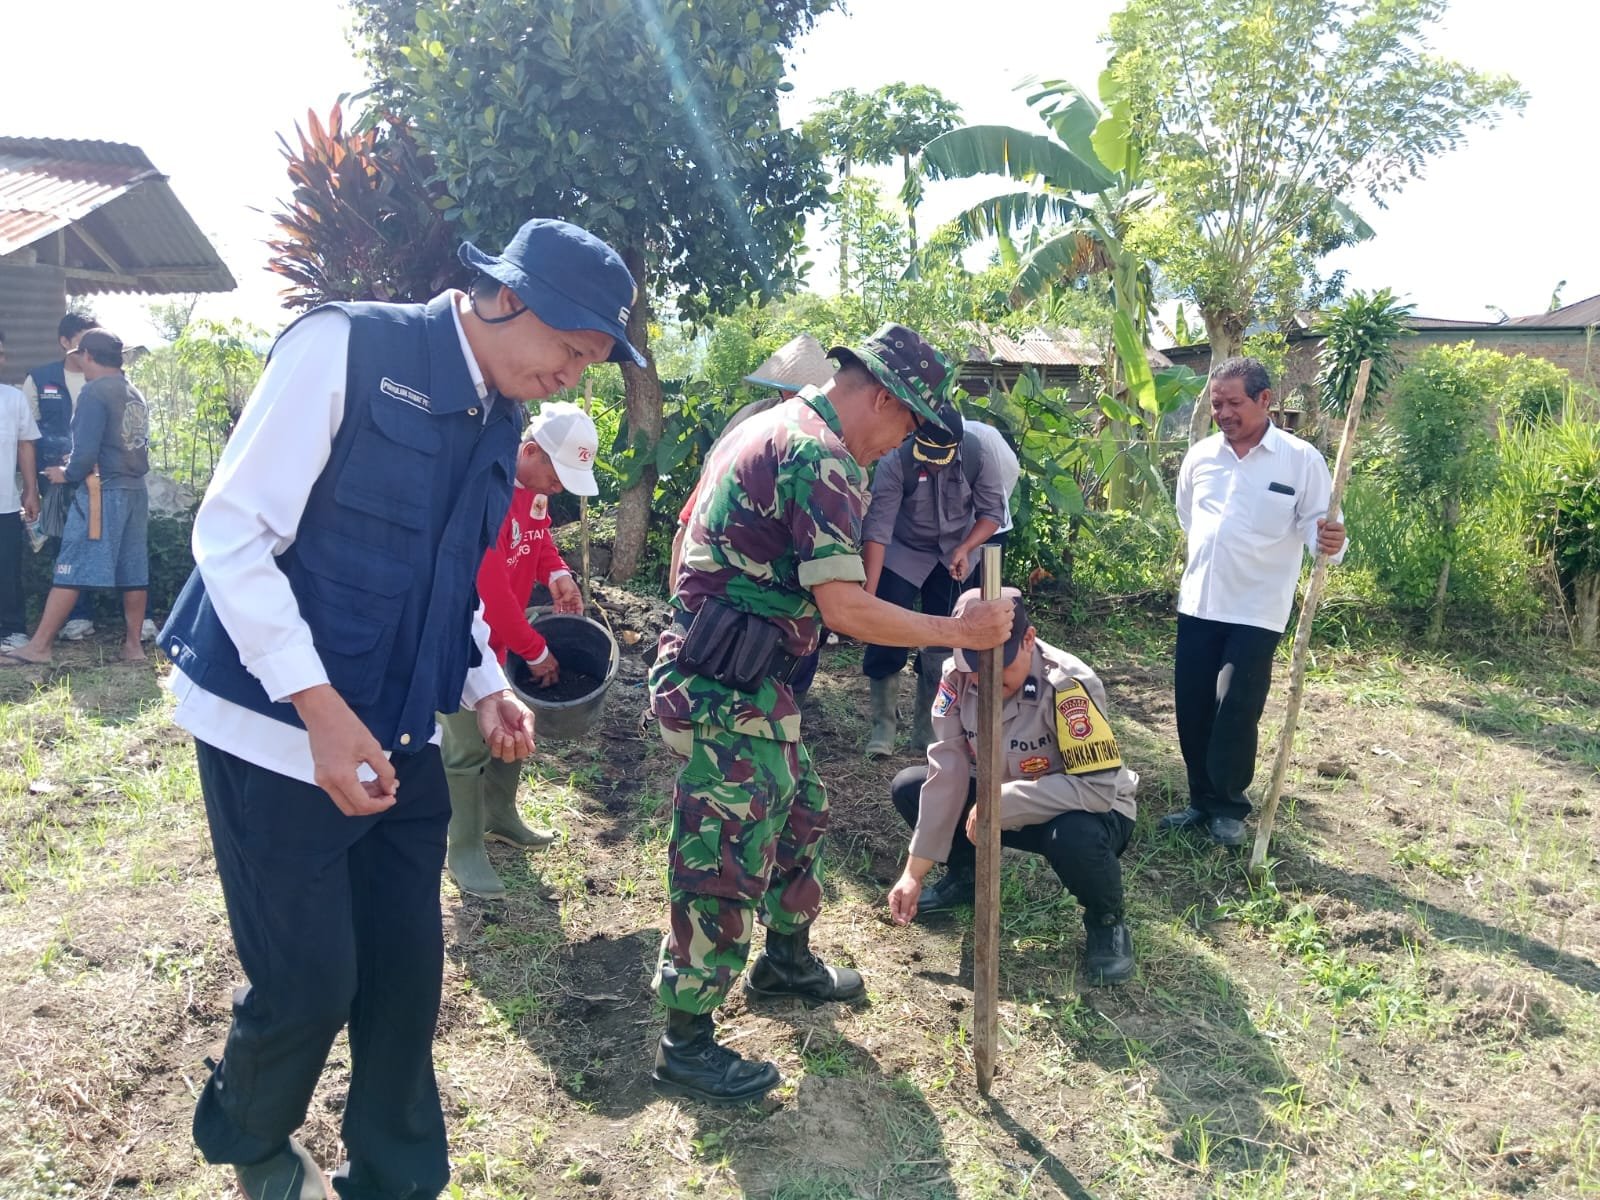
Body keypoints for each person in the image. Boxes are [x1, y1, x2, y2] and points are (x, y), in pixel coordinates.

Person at [157, 218, 644, 1199]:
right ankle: (249, 1141)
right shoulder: (347, 346)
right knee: (307, 982)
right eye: (570, 351)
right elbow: (233, 536)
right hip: (275, 733)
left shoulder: (498, 416)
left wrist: (482, 684)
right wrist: (319, 711)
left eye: (591, 363)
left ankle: (395, 1177)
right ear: (505, 296)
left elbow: (447, 580)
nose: (572, 378)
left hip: (403, 734)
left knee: (403, 975)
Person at [649, 322, 1014, 1105]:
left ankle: (786, 961)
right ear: (883, 399)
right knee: (725, 851)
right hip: (728, 687)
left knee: (803, 810)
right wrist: (959, 630)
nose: (899, 449)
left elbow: (686, 539)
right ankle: (686, 1039)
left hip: (742, 675)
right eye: (908, 428)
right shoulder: (822, 457)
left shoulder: (768, 426)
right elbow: (846, 608)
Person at [886, 587, 1140, 985]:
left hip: (1081, 809)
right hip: (995, 806)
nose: (985, 680)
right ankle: (964, 877)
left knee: (1074, 836)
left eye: (998, 664)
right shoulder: (955, 679)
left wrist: (1005, 801)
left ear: (1028, 638)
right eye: (974, 664)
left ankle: (1107, 922)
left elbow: (1097, 790)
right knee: (910, 786)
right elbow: (948, 773)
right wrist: (913, 873)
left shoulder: (1069, 685)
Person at [1159, 357, 1346, 848]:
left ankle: (1228, 806)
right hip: (1199, 602)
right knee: (1192, 706)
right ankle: (1200, 799)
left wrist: (1330, 540)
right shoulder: (1200, 456)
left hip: (1257, 608)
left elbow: (1319, 526)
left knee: (1236, 709)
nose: (1223, 412)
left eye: (1234, 403)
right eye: (1216, 403)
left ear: (1265, 400)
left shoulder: (1300, 459)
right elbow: (1188, 517)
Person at [442, 401, 598, 900]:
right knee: (467, 746)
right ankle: (463, 845)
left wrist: (557, 574)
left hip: (504, 638)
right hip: (462, 639)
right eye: (558, 474)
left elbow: (538, 537)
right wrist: (535, 649)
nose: (560, 487)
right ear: (528, 451)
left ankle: (500, 815)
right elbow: (488, 589)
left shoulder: (533, 491)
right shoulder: (484, 493)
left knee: (515, 732)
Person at [860, 403, 1006, 757]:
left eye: (940, 456)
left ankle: (928, 729)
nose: (932, 463)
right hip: (903, 550)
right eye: (926, 455)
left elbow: (992, 513)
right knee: (887, 631)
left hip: (954, 551)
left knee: (944, 638)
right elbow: (878, 531)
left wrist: (966, 548)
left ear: (956, 446)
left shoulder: (977, 454)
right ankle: (883, 727)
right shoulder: (897, 461)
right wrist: (869, 594)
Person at [2, 330, 150, 666]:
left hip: (102, 490)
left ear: (88, 357)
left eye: (80, 356)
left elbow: (84, 452)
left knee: (70, 564)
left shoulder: (94, 392)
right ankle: (133, 647)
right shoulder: (133, 391)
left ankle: (39, 647)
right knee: (133, 569)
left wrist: (65, 474)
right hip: (135, 490)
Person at [22, 313, 99, 641]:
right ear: (65, 342)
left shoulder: (103, 379)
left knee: (100, 542)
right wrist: (32, 486)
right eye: (81, 342)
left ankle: (97, 612)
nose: (86, 351)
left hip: (96, 477)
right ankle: (75, 616)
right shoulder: (39, 379)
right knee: (62, 545)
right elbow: (28, 435)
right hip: (54, 479)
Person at [0, 330, 41, 649]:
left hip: (5, 502)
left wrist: (31, 489)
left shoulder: (13, 399)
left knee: (8, 568)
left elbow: (26, 446)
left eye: (1, 353)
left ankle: (12, 629)